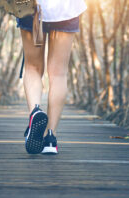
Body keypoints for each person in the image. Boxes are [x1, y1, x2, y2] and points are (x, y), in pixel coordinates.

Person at [17, 0, 87, 155]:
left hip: (30, 7)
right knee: (58, 73)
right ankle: (50, 138)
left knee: (33, 68)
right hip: (67, 9)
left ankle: (35, 112)